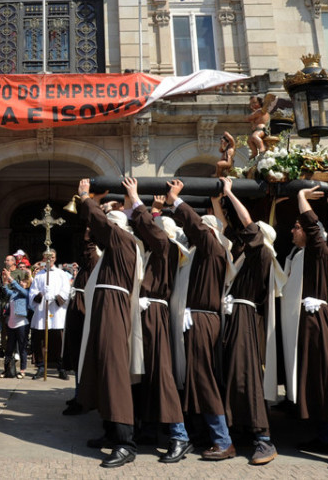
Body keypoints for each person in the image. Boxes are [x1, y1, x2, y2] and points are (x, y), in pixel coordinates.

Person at [280, 186, 328, 471]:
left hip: (319, 322)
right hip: (306, 326)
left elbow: (314, 230)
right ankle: (327, 436)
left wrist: (301, 198)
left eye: (296, 227)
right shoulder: (299, 254)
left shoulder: (319, 249)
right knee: (315, 381)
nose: (292, 231)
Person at [165, 179, 235, 461]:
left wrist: (176, 200)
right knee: (195, 378)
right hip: (195, 319)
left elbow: (197, 226)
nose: (195, 232)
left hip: (203, 320)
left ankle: (223, 439)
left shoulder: (213, 248)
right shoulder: (202, 253)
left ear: (210, 232)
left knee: (203, 379)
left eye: (203, 228)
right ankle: (205, 433)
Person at [123, 177, 192, 463]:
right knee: (149, 374)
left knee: (161, 374)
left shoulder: (164, 245)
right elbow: (147, 227)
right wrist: (151, 209)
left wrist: (135, 198)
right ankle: (150, 429)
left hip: (154, 313)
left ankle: (180, 436)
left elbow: (153, 230)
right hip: (146, 311)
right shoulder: (155, 249)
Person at [75, 178, 144, 468]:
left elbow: (101, 225)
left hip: (114, 310)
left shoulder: (123, 240)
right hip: (106, 309)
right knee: (102, 368)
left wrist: (84, 197)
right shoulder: (114, 248)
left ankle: (125, 443)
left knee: (114, 372)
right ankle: (109, 432)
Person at [217, 177, 284, 465]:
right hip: (234, 317)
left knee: (247, 377)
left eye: (250, 234)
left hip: (245, 318)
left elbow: (246, 224)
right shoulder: (245, 255)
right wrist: (217, 194)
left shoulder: (263, 253)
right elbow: (225, 225)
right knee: (233, 376)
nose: (244, 236)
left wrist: (231, 193)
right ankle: (240, 432)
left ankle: (264, 439)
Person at [62, 228, 99, 415]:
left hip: (83, 312)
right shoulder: (86, 266)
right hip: (77, 310)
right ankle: (78, 395)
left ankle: (82, 399)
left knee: (82, 357)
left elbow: (89, 249)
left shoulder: (94, 261)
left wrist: (88, 230)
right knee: (76, 357)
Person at [28, 249, 71, 381]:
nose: (49, 259)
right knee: (40, 340)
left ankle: (61, 367)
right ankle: (41, 366)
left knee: (58, 340)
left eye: (51, 257)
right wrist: (41, 295)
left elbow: (66, 290)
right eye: (47, 257)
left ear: (55, 258)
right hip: (42, 310)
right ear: (43, 258)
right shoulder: (39, 275)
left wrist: (55, 297)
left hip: (56, 310)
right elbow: (32, 292)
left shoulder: (61, 274)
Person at [0, 267, 31, 379]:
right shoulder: (14, 293)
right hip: (11, 324)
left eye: (24, 282)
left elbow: (20, 289)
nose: (21, 283)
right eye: (21, 281)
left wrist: (10, 278)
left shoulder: (27, 293)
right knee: (9, 348)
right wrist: (4, 281)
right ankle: (6, 369)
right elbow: (6, 291)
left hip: (22, 324)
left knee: (22, 347)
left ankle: (22, 370)